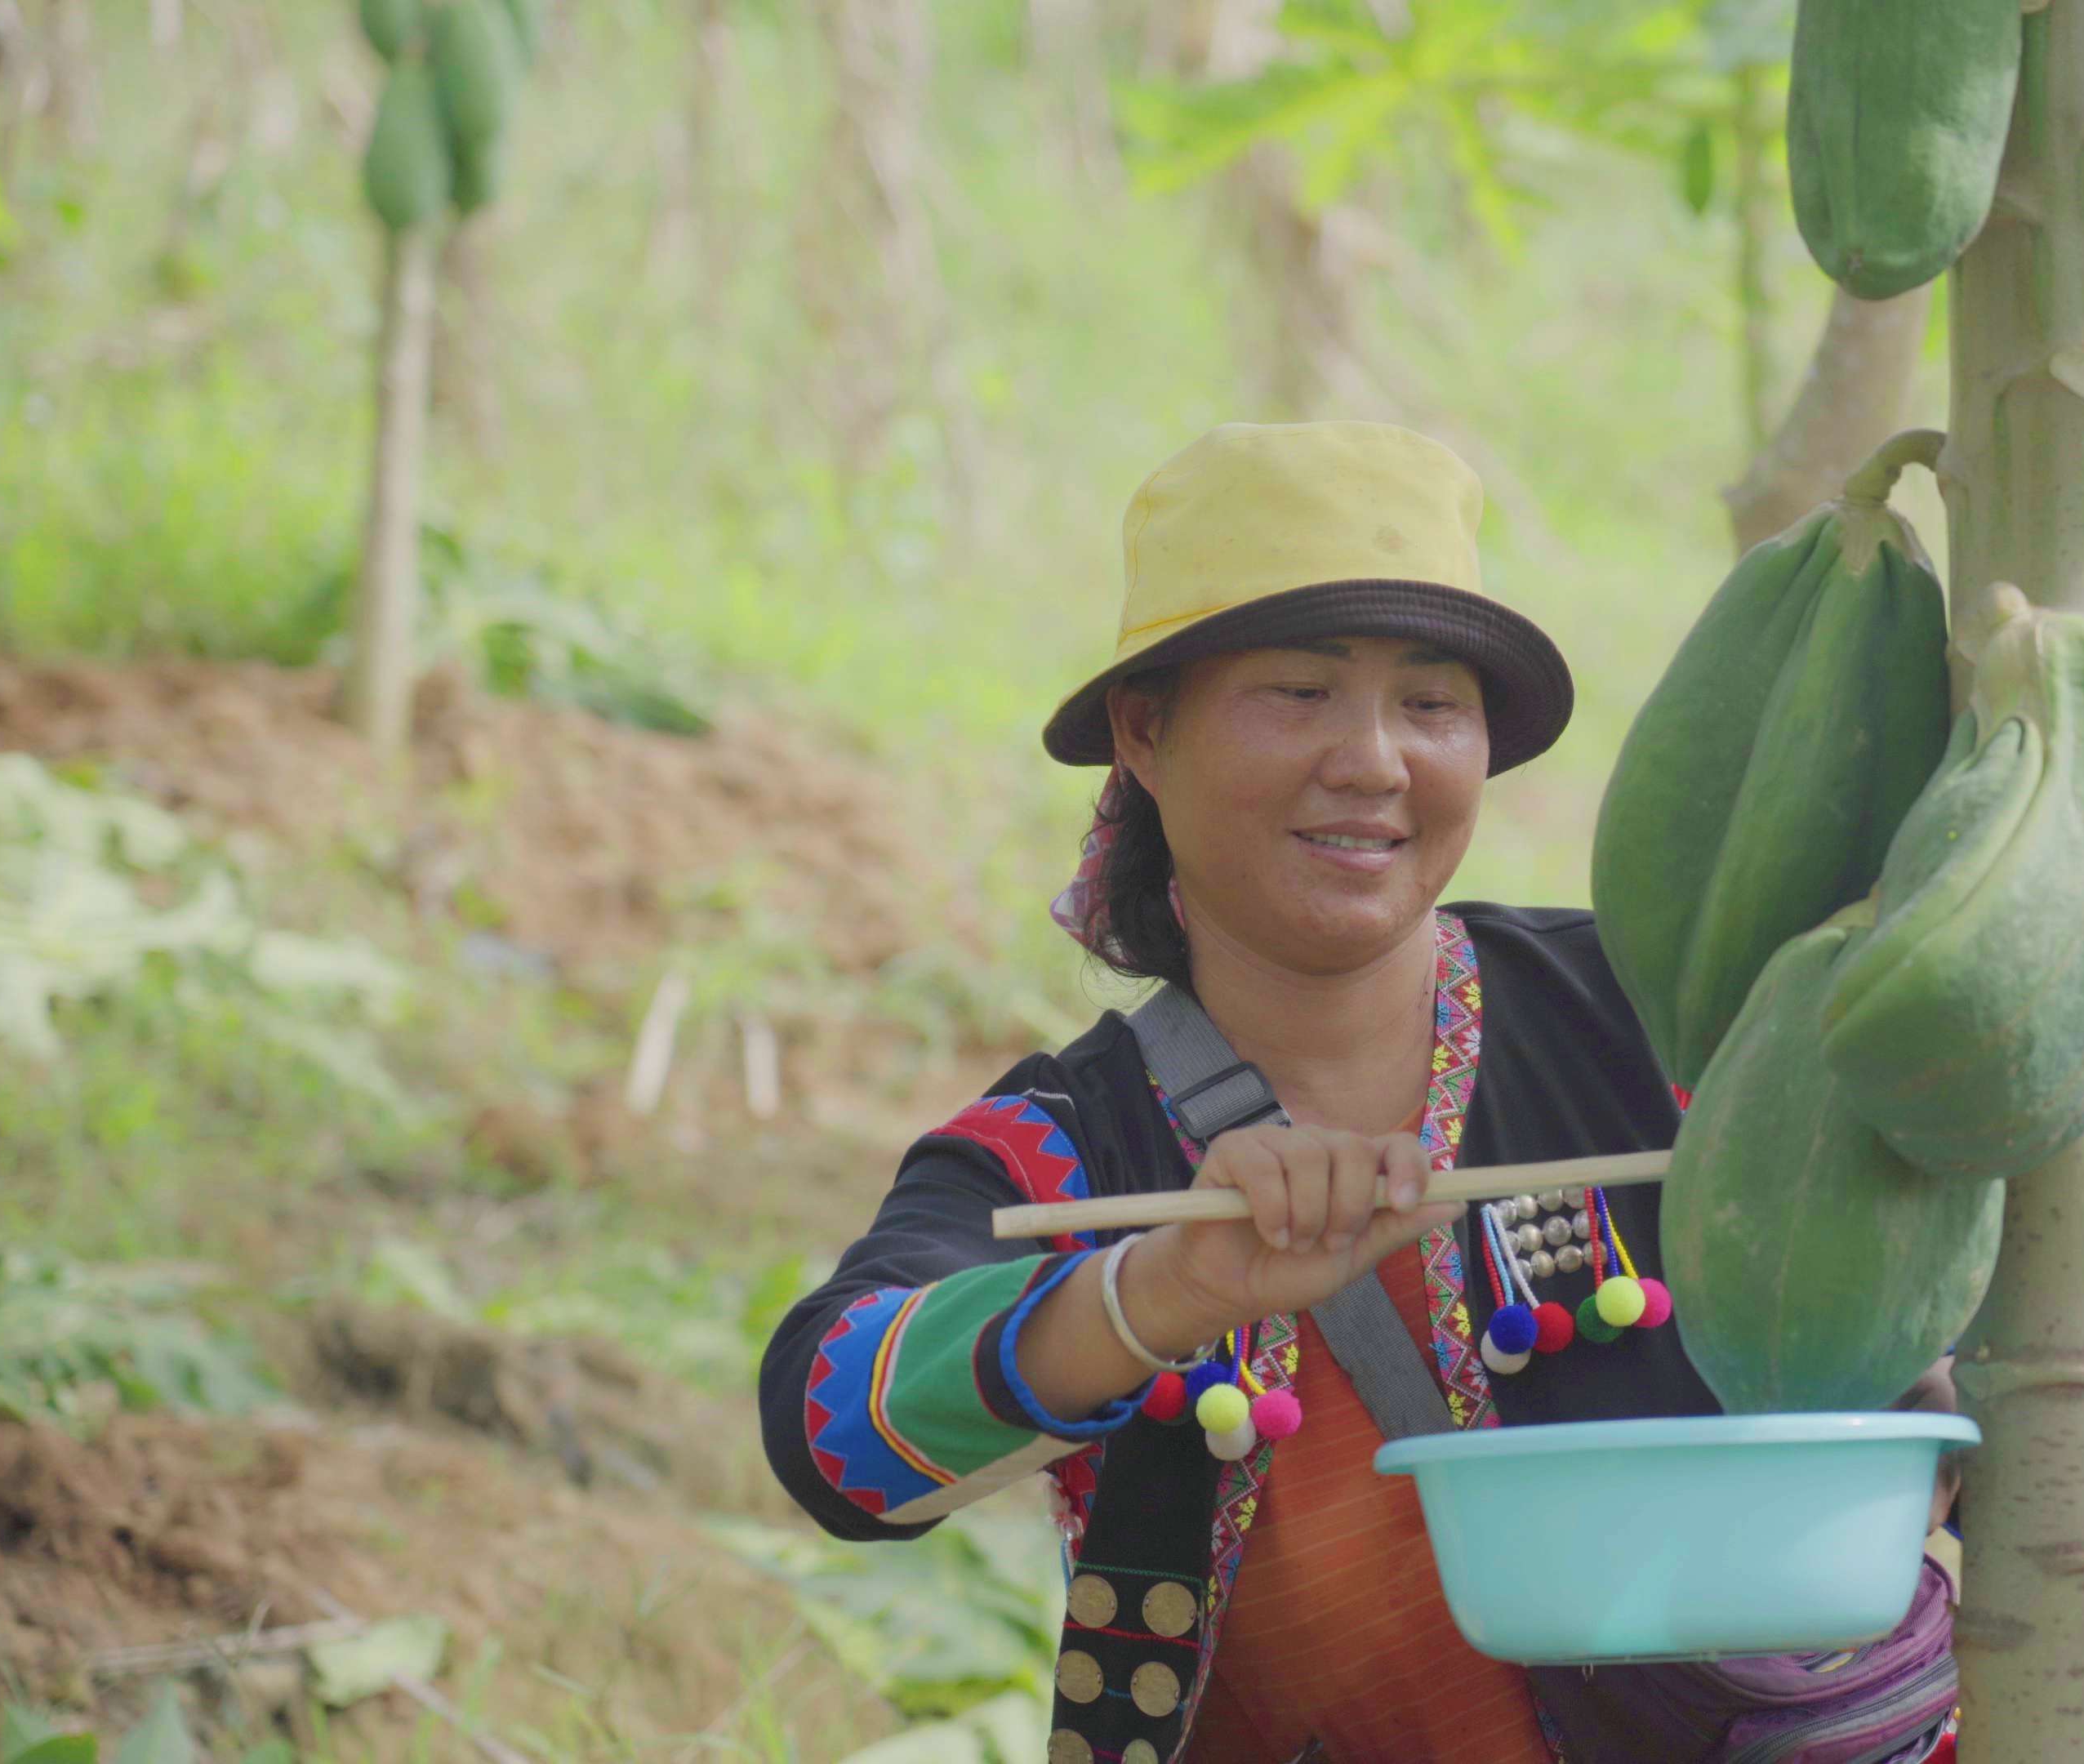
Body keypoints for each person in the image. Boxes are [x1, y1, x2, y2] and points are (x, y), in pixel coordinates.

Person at [758, 421, 1962, 1764]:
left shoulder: (1671, 1020)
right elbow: (835, 1437)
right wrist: (1160, 1293)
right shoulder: (1060, 1150)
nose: (1376, 761)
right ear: (1145, 732)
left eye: (1431, 704)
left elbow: (1954, 1271)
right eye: (1301, 692)